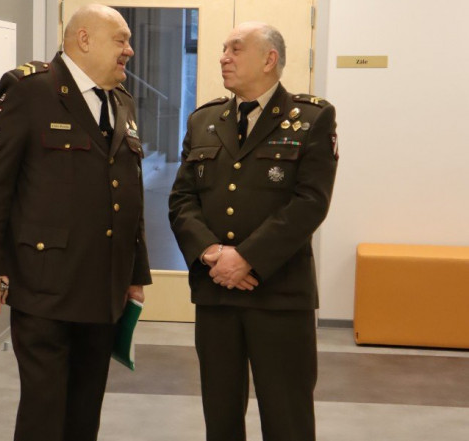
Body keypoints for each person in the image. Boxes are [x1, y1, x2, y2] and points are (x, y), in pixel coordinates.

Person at [0, 4, 151, 441]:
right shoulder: (31, 91)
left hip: (103, 285)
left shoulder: (121, 100)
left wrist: (135, 273)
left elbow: (129, 194)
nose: (129, 50)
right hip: (44, 285)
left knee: (86, 409)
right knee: (44, 410)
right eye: (121, 40)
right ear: (83, 39)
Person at [169, 21, 338, 441]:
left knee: (287, 418)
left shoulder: (312, 118)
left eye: (236, 49)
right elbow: (182, 200)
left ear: (269, 59)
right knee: (220, 417)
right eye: (224, 48)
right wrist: (212, 254)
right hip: (216, 293)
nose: (223, 57)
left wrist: (246, 258)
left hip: (279, 295)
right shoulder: (205, 120)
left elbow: (310, 203)